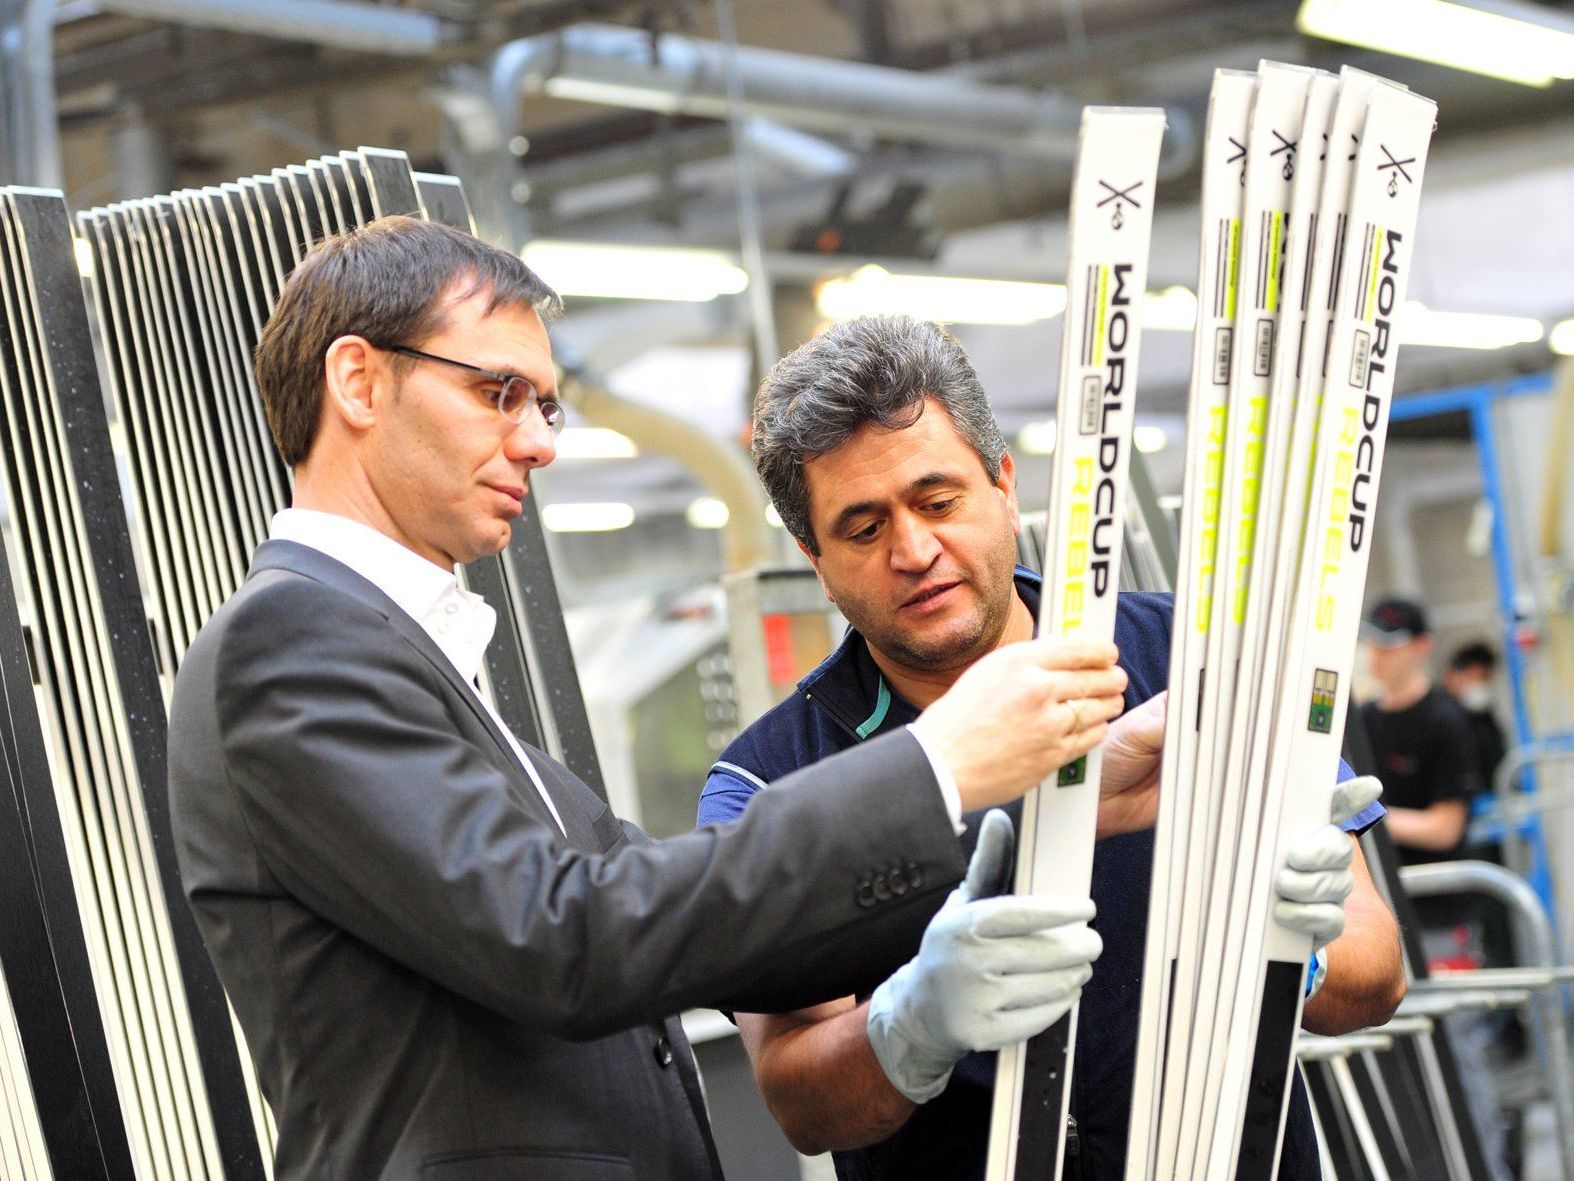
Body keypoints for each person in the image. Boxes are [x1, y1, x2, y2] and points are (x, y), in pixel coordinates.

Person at [166, 218, 1138, 1180]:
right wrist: (940, 766)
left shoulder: (400, 656)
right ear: (358, 380)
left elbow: (674, 922)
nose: (538, 442)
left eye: (546, 405)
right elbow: (568, 937)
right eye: (500, 392)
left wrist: (1049, 808)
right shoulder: (289, 643)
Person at [699, 315, 1405, 1180]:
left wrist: (1299, 949)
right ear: (813, 553)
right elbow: (798, 1100)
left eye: (937, 500)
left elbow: (1378, 969)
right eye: (863, 528)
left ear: (1004, 483)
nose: (915, 551)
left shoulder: (1195, 661)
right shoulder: (766, 781)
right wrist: (912, 1024)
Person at [1359, 597, 1484, 866]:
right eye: (1373, 643)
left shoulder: (1445, 720)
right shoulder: (1362, 720)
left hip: (1440, 891)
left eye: (1390, 646)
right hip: (1383, 883)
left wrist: (1360, 817)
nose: (1378, 654)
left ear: (1421, 647)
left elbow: (1444, 829)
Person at [1443, 640, 1509, 788]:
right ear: (1454, 674)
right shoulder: (1441, 716)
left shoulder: (1484, 716)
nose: (1478, 686)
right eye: (1476, 678)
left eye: (1485, 680)